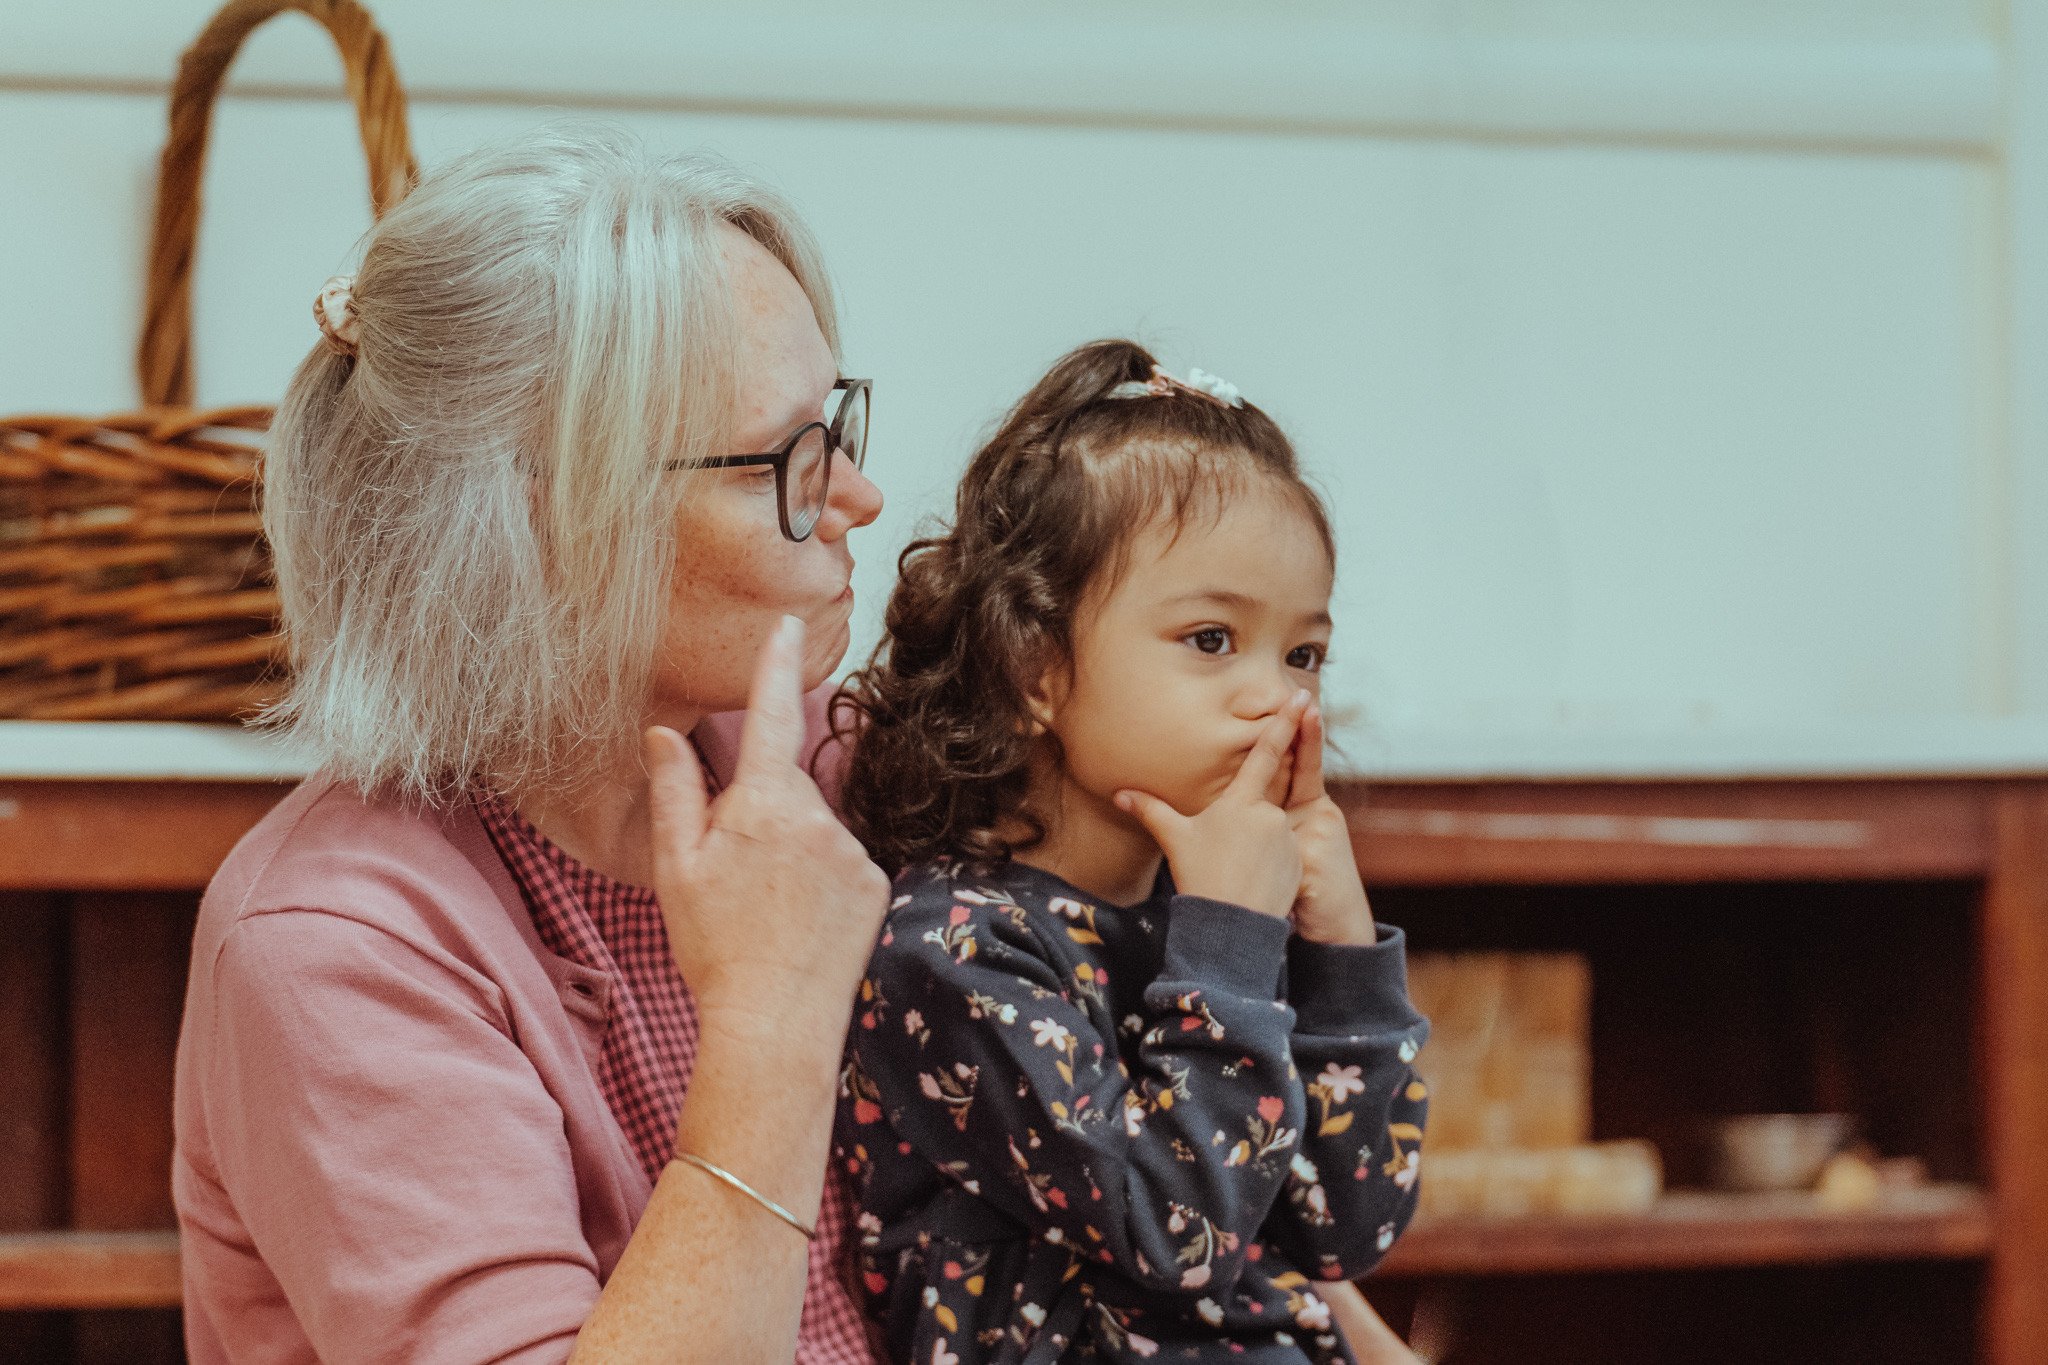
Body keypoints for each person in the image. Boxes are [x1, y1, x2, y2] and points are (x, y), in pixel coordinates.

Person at [172, 123, 893, 1363]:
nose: (855, 499)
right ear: (542, 525)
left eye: (835, 424)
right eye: (782, 460)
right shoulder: (333, 948)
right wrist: (772, 1021)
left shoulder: (824, 770)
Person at [832, 341, 1431, 1363]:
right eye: (1209, 639)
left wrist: (1338, 960)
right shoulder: (952, 954)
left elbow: (1348, 1227)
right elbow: (1174, 1230)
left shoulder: (1212, 922)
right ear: (1035, 664)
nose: (1275, 697)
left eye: (1303, 654)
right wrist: (1232, 948)